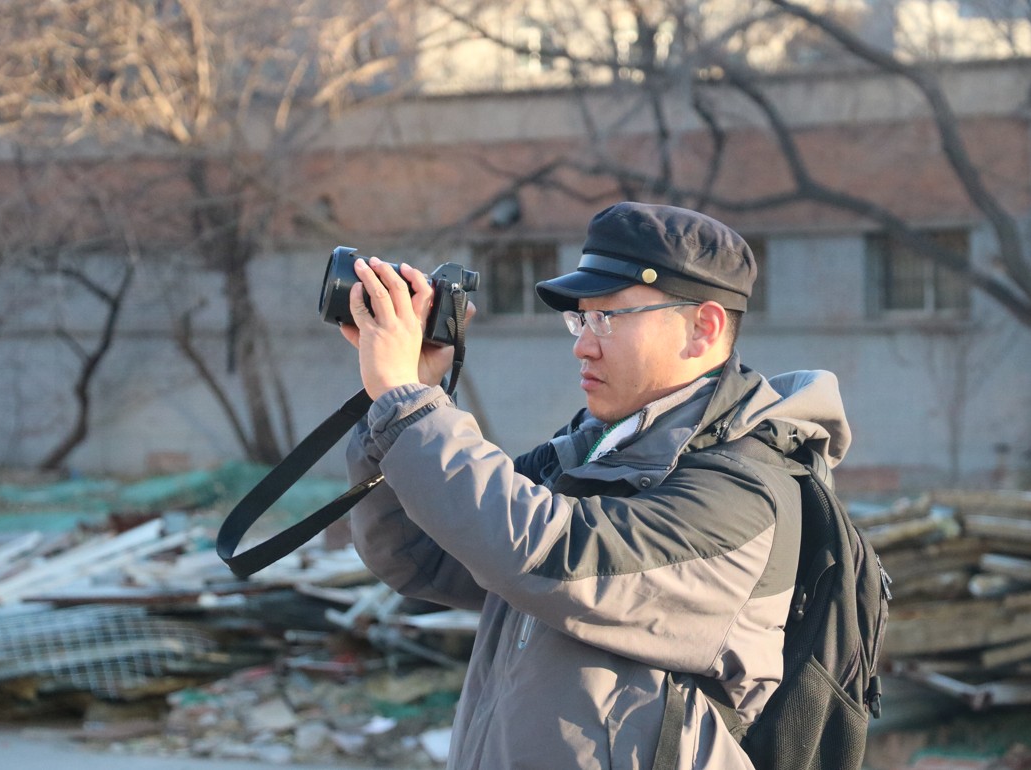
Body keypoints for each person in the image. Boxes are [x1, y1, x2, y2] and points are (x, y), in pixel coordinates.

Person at [342, 201, 851, 769]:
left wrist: (409, 406)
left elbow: (554, 555)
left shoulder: (744, 490)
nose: (583, 344)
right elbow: (421, 555)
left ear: (702, 328)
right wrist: (396, 398)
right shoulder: (591, 454)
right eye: (579, 319)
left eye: (607, 318)